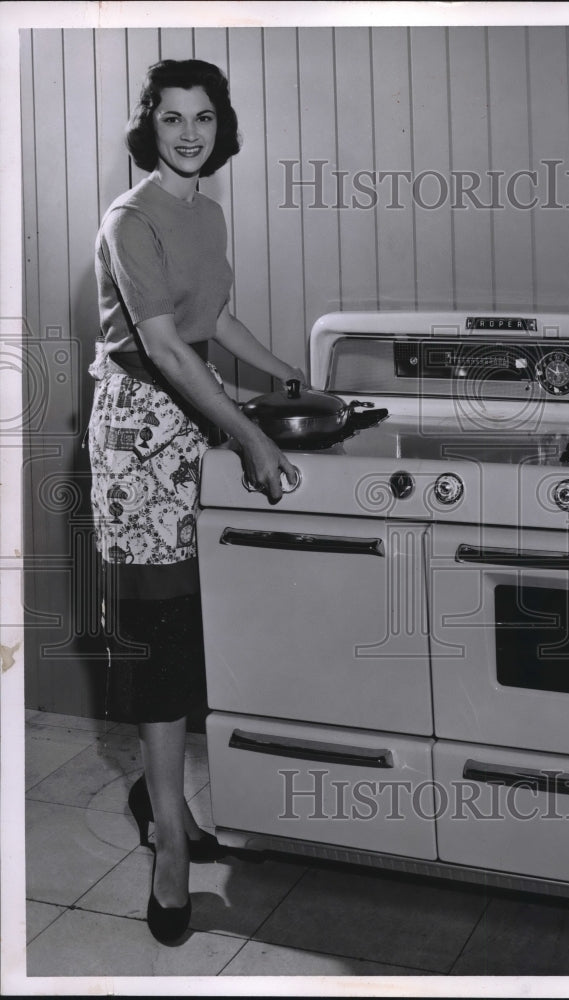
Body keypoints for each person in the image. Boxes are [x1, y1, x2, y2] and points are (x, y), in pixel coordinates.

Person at [87, 59, 304, 944]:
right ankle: (171, 841)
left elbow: (215, 324)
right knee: (163, 633)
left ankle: (161, 793)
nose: (188, 133)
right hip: (141, 433)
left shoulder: (206, 215)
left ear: (222, 126)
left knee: (206, 620)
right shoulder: (130, 220)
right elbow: (170, 352)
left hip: (198, 417)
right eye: (172, 117)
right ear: (151, 125)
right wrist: (251, 433)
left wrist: (289, 376)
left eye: (203, 117)